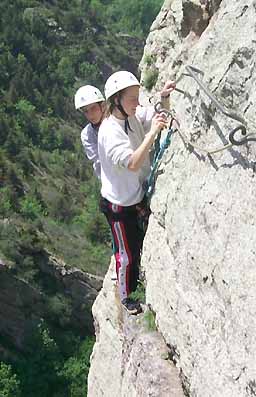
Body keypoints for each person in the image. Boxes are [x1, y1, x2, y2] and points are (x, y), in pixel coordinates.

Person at [98, 70, 174, 314]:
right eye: (132, 98)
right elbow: (131, 162)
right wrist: (152, 133)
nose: (137, 103)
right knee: (126, 253)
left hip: (134, 197)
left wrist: (163, 98)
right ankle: (126, 296)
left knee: (136, 245)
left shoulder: (130, 116)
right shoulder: (110, 132)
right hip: (119, 205)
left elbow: (153, 114)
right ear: (117, 100)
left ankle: (134, 279)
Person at [74, 85, 105, 178]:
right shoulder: (87, 135)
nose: (90, 114)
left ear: (102, 106)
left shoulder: (118, 120)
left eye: (93, 108)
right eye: (86, 111)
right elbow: (99, 159)